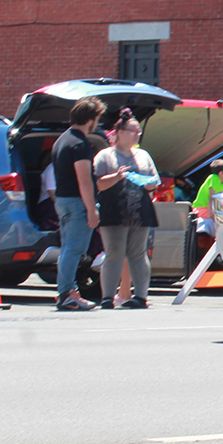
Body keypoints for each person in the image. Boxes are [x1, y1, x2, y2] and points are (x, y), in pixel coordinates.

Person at [93, 109, 161, 309]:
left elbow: (154, 181)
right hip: (114, 211)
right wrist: (117, 176)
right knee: (114, 253)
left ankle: (140, 296)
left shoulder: (143, 155)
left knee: (138, 254)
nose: (136, 134)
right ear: (119, 132)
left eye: (138, 131)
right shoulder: (105, 155)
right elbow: (98, 183)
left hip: (140, 212)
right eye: (132, 131)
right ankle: (107, 297)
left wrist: (148, 183)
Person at [51, 96, 107, 311]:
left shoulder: (62, 140)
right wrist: (91, 209)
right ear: (90, 119)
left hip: (63, 200)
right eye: (97, 119)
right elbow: (84, 179)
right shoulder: (80, 144)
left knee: (68, 249)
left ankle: (67, 291)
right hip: (76, 202)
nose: (98, 124)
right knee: (73, 250)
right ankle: (66, 293)